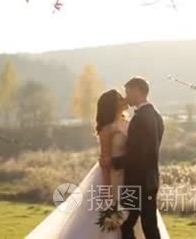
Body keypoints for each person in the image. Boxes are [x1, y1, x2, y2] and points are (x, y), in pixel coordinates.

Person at [26, 85, 168, 239]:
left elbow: (138, 151)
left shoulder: (132, 122)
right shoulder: (107, 129)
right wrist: (107, 192)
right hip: (114, 178)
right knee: (118, 219)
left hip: (132, 177)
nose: (125, 99)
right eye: (120, 99)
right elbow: (105, 162)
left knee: (132, 219)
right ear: (114, 105)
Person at [112, 77, 165, 239]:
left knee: (133, 225)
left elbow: (140, 153)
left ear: (138, 91)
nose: (126, 96)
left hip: (139, 180)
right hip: (150, 179)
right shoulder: (156, 115)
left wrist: (115, 162)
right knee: (143, 225)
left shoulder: (141, 118)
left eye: (128, 92)